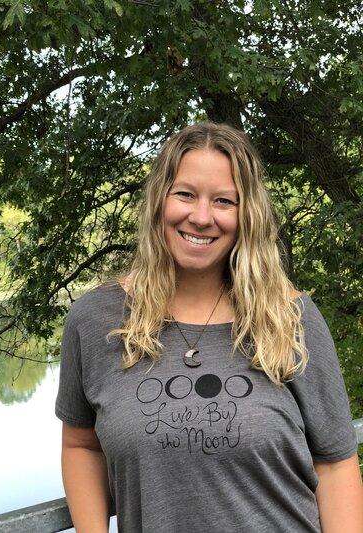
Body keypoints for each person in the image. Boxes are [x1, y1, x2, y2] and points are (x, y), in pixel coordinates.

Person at [55, 122, 363, 533]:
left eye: (224, 201)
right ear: (159, 201)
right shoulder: (96, 320)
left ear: (247, 215)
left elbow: (336, 463)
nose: (201, 217)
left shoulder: (290, 317)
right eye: (185, 194)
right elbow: (81, 445)